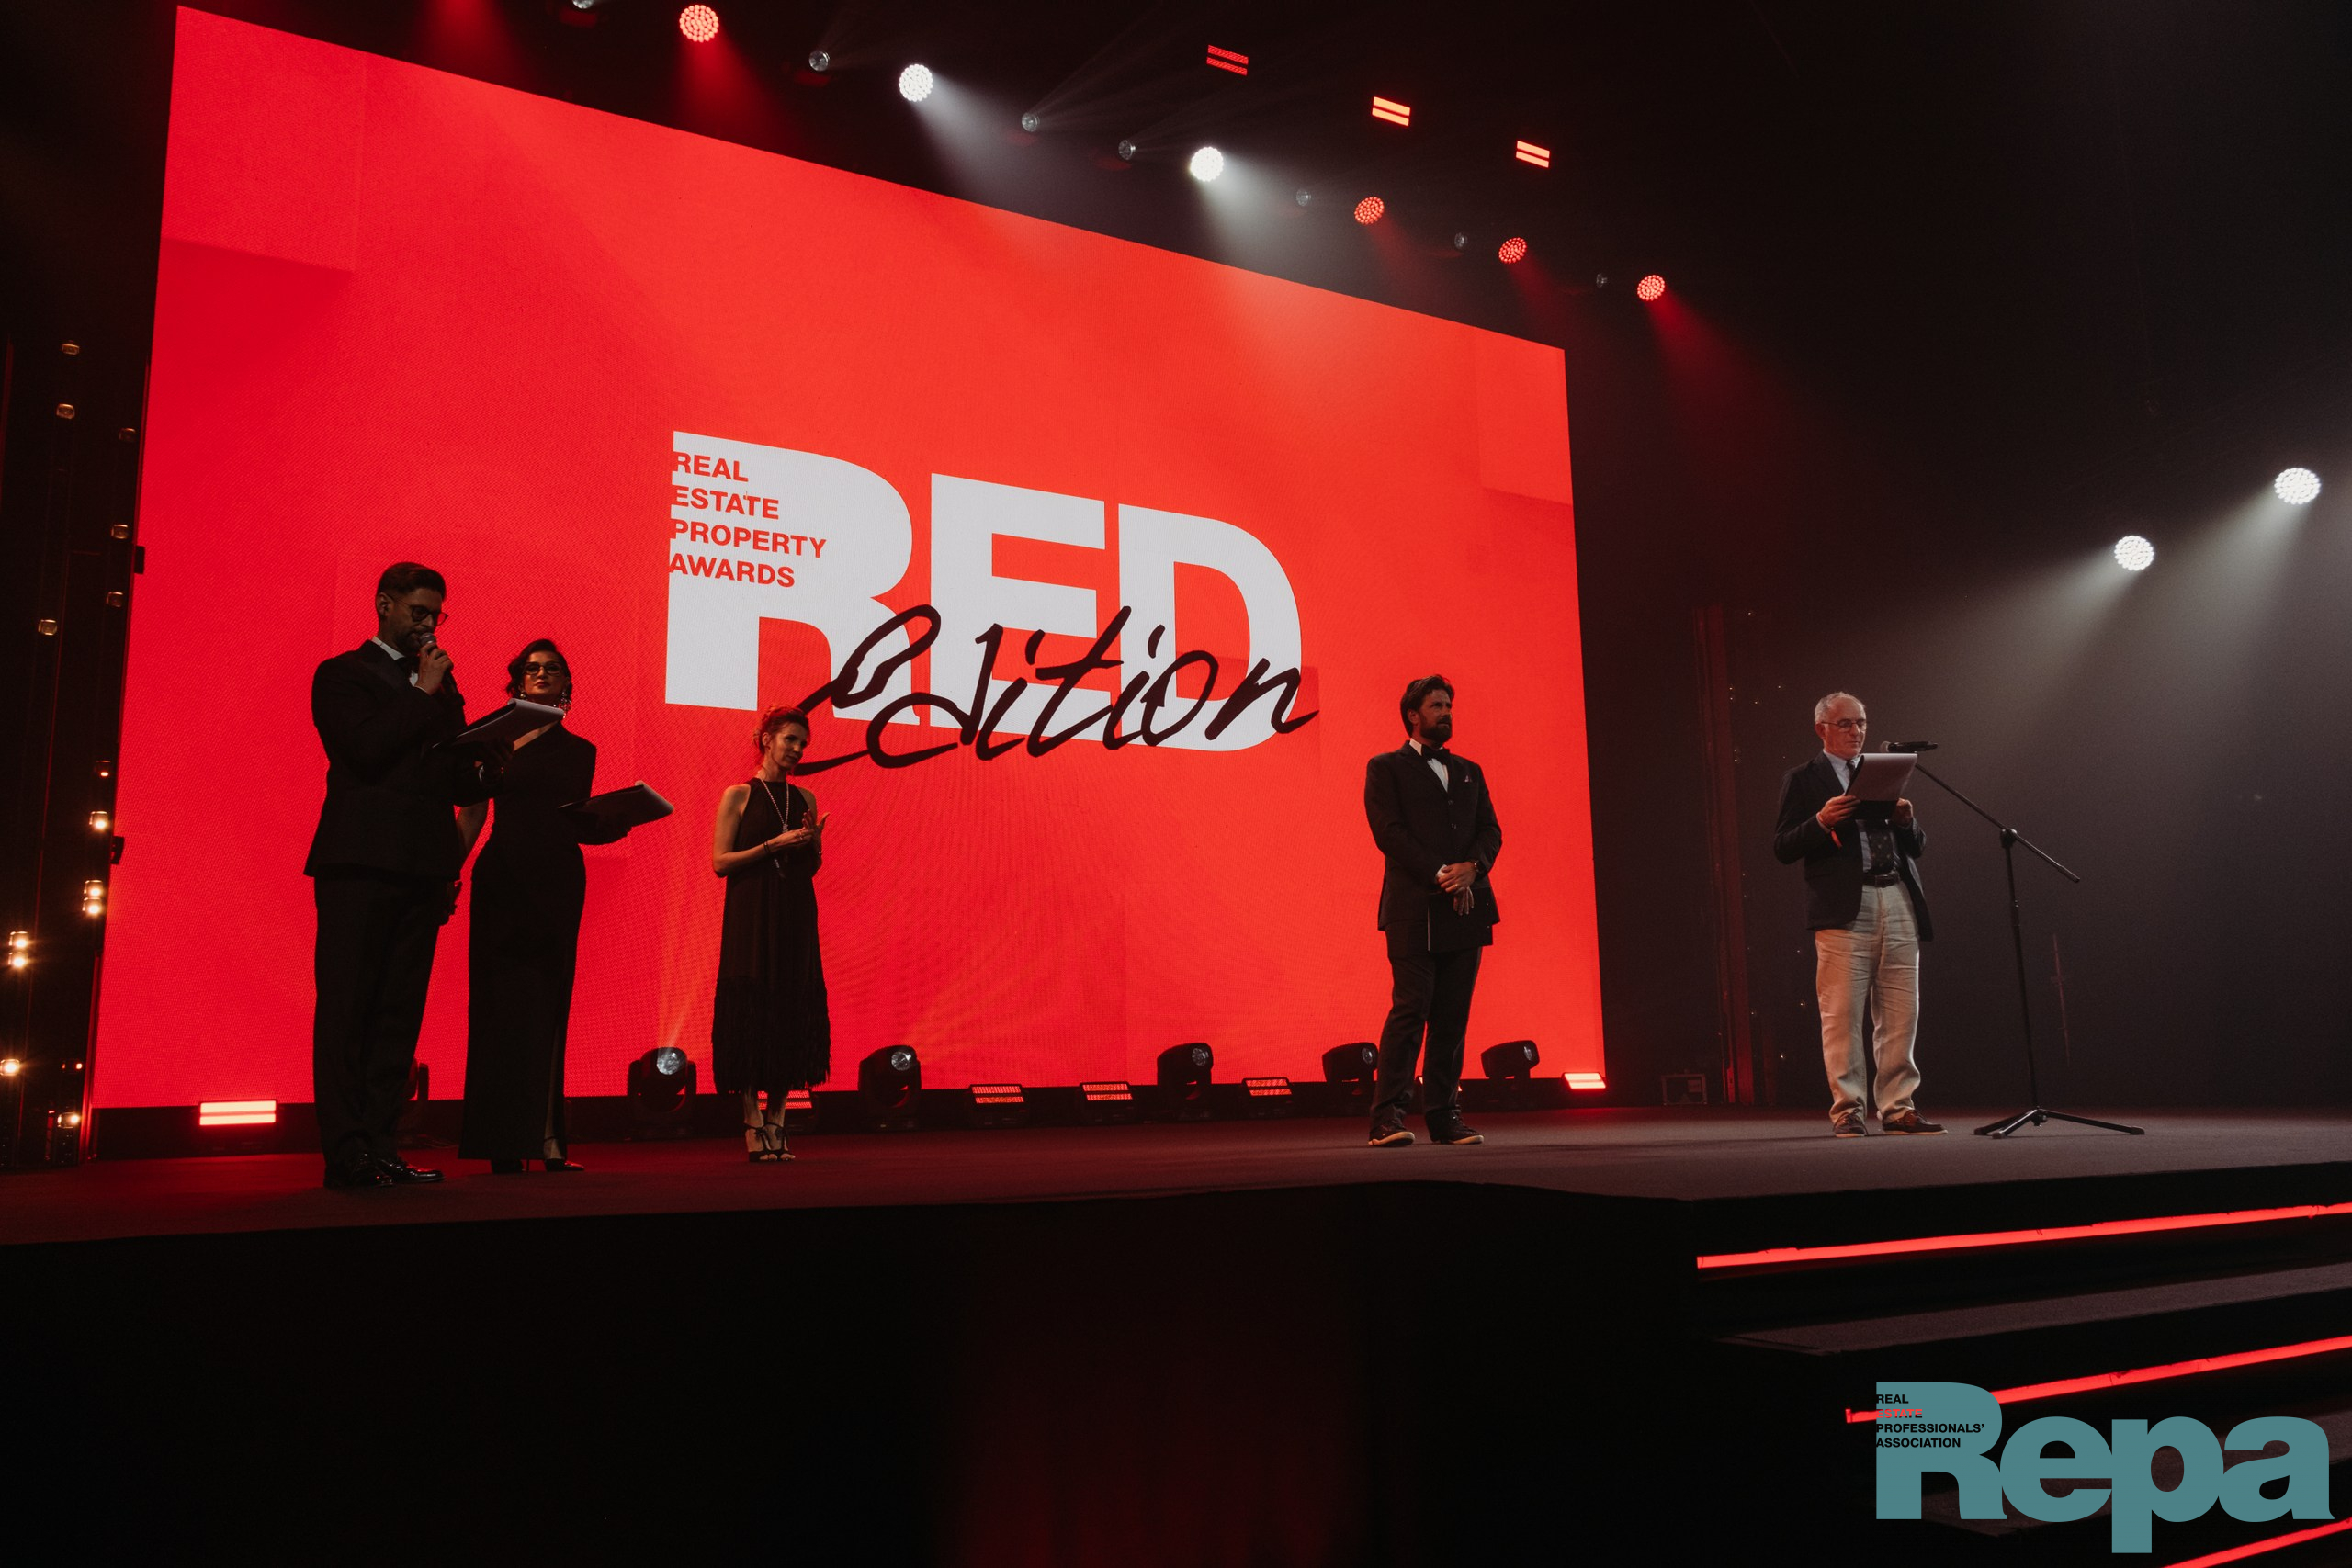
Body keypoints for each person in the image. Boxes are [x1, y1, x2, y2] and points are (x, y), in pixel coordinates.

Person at [305, 561, 501, 1189]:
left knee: (398, 1012)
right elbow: (364, 751)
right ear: (384, 604)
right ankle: (347, 1152)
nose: (428, 624)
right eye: (418, 611)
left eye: (436, 614)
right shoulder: (343, 674)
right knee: (349, 1008)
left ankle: (382, 1143)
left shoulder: (441, 685)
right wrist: (421, 692)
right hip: (360, 863)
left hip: (423, 866)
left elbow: (451, 777)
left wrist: (491, 760)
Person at [456, 639, 628, 1174]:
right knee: (496, 1005)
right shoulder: (492, 737)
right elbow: (471, 811)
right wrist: (447, 870)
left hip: (556, 880)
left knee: (549, 1005)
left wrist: (614, 822)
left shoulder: (581, 751)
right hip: (501, 877)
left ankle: (549, 1140)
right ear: (518, 681)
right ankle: (500, 1142)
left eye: (553, 668)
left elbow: (572, 822)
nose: (543, 674)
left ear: (566, 683)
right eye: (533, 668)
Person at [1771, 691, 1940, 1137]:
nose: (1856, 731)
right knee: (1842, 1014)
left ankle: (1898, 1107)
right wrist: (1822, 821)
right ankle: (1849, 1108)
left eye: (1861, 723)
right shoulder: (1804, 778)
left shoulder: (1882, 771)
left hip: (1897, 894)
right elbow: (1783, 846)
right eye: (1845, 723)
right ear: (1821, 729)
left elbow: (1917, 847)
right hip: (1845, 905)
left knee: (1901, 1011)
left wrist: (1906, 822)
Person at [1362, 674, 1503, 1148]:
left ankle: (1444, 1118)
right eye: (1437, 706)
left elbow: (1490, 831)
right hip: (1413, 907)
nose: (1446, 713)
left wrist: (1472, 869)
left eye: (1449, 706)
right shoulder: (1385, 767)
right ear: (1413, 715)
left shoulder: (1469, 771)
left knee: (1452, 1018)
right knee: (1411, 1010)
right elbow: (1389, 832)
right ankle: (1387, 1119)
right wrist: (1444, 873)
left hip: (1466, 907)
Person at [709, 705, 832, 1163]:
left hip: (794, 911)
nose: (797, 749)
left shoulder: (805, 797)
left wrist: (813, 846)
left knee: (789, 1007)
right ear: (766, 739)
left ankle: (778, 1119)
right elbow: (720, 862)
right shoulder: (739, 795)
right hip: (751, 911)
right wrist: (771, 845)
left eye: (803, 743)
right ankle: (751, 1118)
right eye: (789, 740)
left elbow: (809, 867)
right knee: (750, 1007)